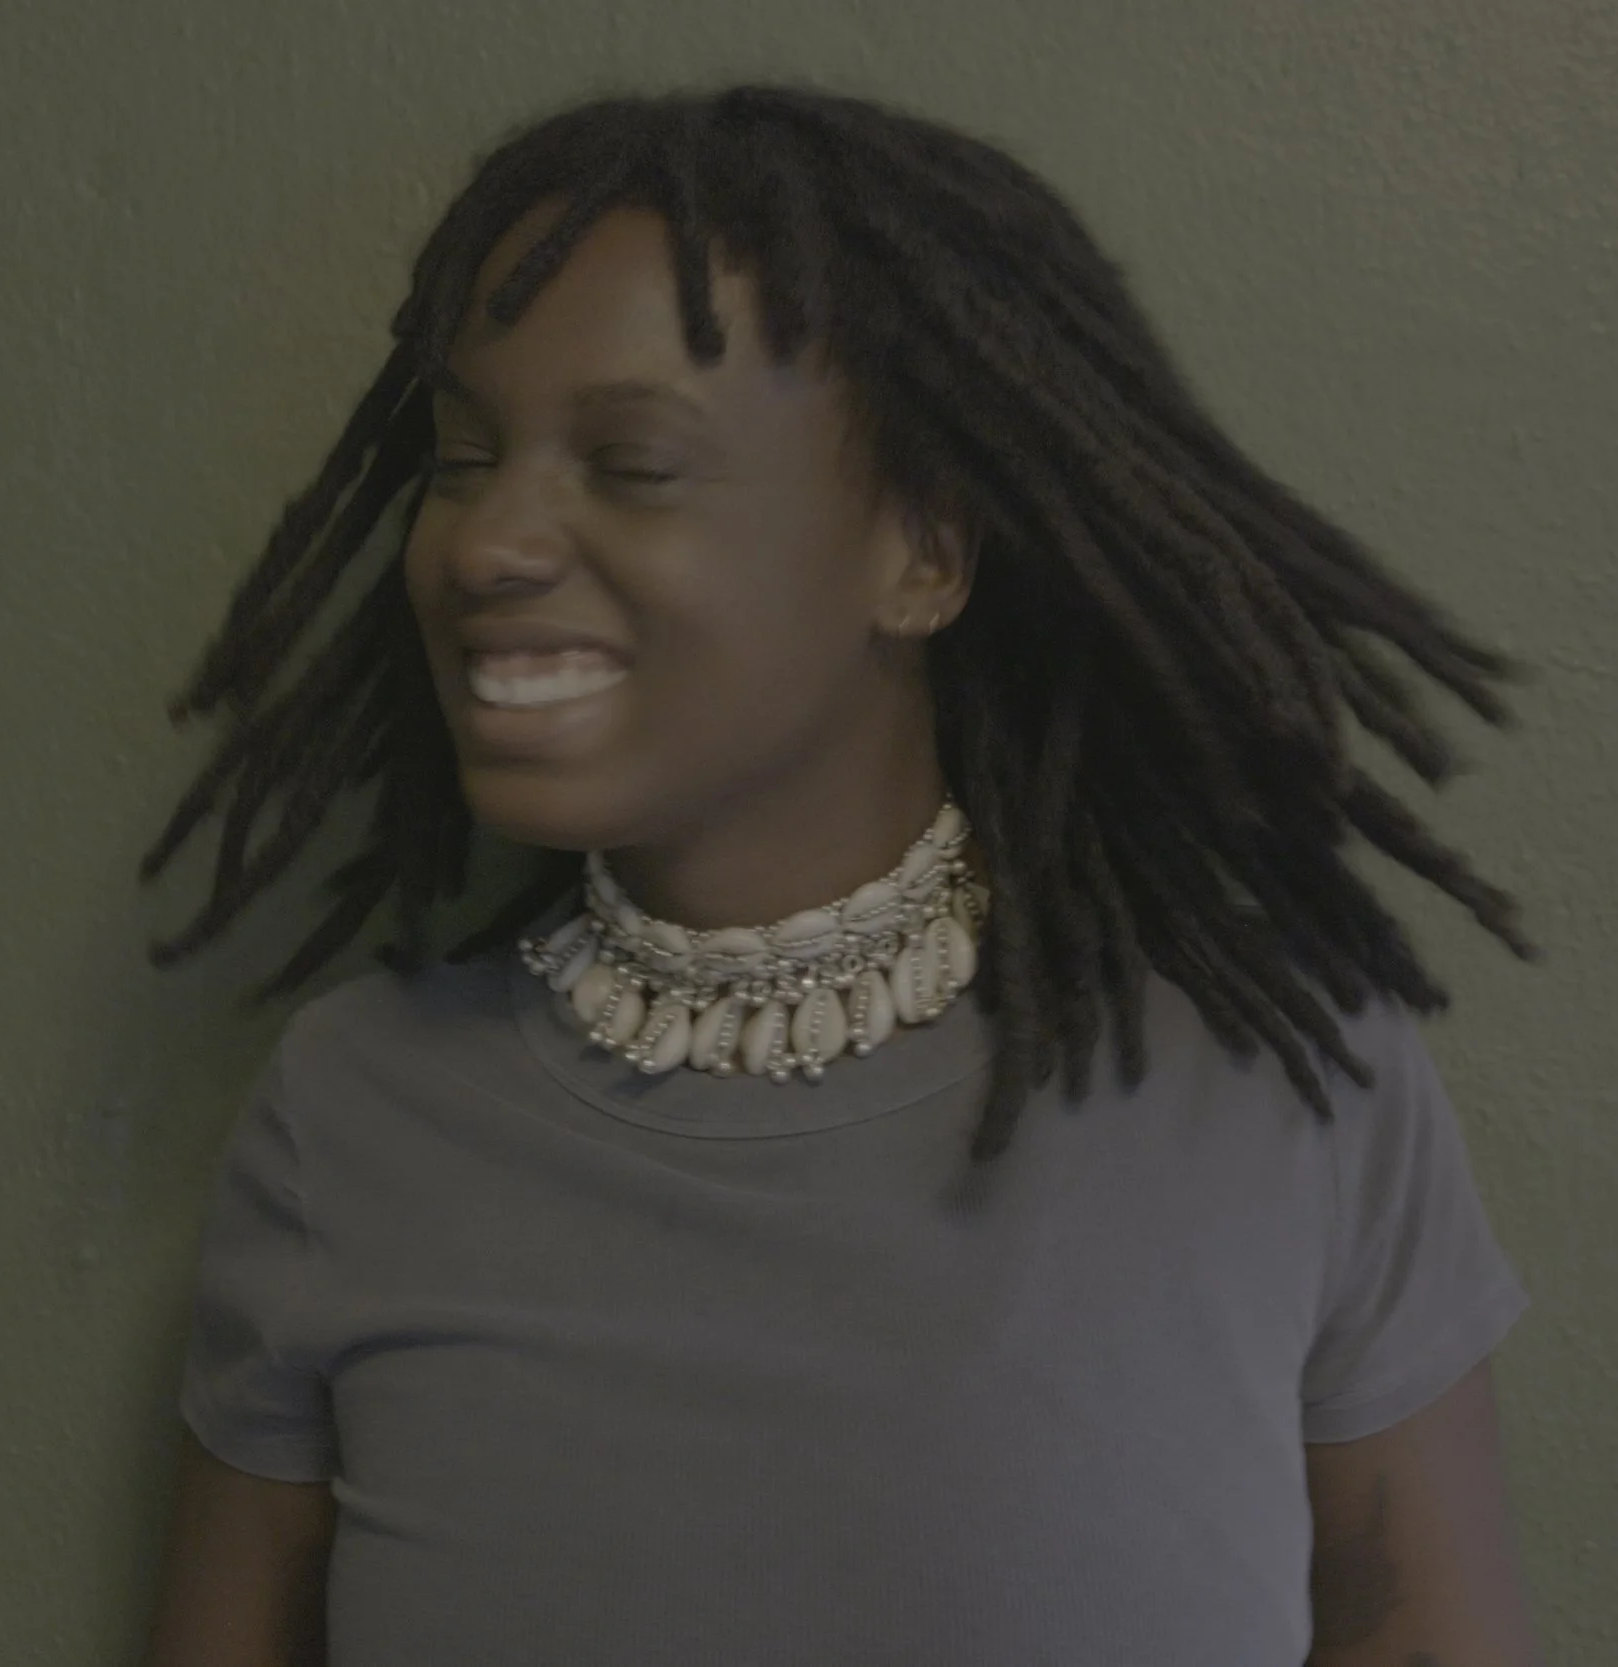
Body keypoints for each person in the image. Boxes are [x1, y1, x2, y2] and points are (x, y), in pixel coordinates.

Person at [137, 83, 1544, 1667]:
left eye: (631, 462)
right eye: (464, 457)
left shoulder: (1279, 1081)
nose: (484, 543)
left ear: (922, 552)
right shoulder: (350, 1119)